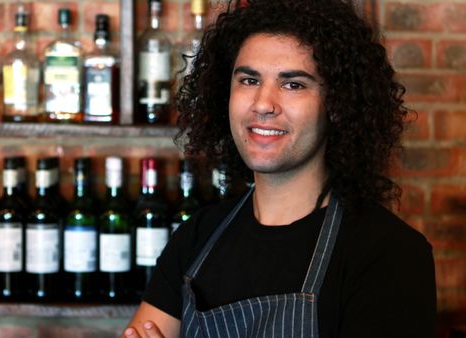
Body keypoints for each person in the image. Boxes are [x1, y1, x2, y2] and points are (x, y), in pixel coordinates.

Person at [123, 0, 437, 337]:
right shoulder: (197, 237)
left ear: (337, 106)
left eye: (293, 84)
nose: (263, 104)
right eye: (249, 80)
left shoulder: (389, 254)